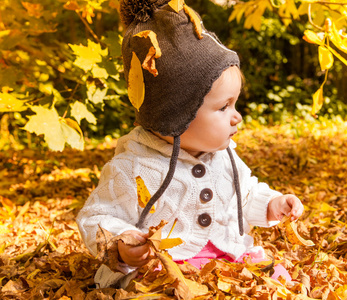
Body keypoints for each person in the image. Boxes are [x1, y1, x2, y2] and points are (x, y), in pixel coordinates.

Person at [76, 0, 304, 289]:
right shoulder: (133, 166)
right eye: (224, 107)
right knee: (160, 290)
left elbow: (245, 195)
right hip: (164, 266)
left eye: (235, 104)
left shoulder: (225, 157)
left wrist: (272, 204)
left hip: (227, 257)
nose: (237, 117)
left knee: (273, 278)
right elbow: (97, 216)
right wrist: (123, 243)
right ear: (177, 115)